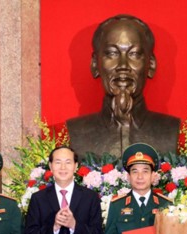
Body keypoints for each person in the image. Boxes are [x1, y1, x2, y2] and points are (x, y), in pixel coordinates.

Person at [67, 14, 181, 158]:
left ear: (151, 64)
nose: (123, 66)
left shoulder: (170, 130)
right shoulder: (76, 132)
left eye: (134, 54)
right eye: (112, 54)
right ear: (95, 64)